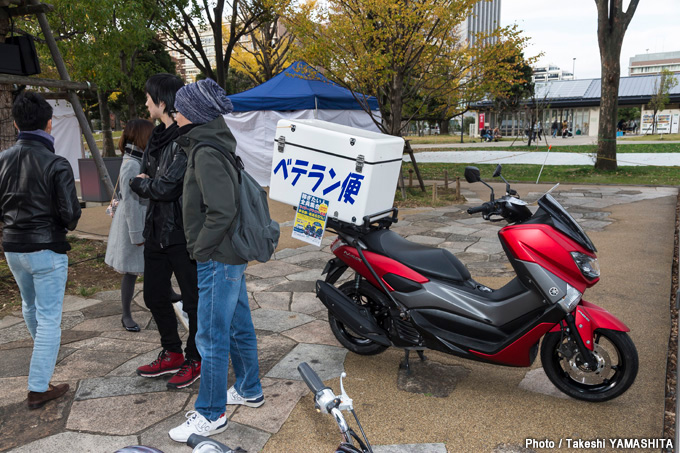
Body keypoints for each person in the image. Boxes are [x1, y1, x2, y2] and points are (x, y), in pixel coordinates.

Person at [168, 78, 264, 442]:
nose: (175, 114)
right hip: (228, 255)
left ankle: (210, 414)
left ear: (194, 112)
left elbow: (221, 211)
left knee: (210, 334)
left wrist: (200, 248)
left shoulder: (206, 151)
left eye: (179, 108)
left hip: (218, 256)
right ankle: (250, 388)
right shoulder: (212, 143)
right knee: (238, 324)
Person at [0, 91, 81, 409]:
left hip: (13, 247)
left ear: (16, 124)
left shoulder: (3, 159)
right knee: (48, 318)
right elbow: (71, 217)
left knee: (31, 308)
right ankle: (37, 386)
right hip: (46, 248)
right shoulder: (56, 163)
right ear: (50, 124)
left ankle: (41, 368)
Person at [129, 73, 201, 389]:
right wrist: (149, 184)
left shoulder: (186, 136)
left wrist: (144, 183)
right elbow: (154, 183)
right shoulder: (157, 137)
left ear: (161, 101)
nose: (145, 103)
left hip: (182, 232)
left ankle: (195, 358)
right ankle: (171, 352)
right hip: (156, 229)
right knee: (154, 295)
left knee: (193, 299)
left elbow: (167, 186)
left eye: (148, 97)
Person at [105, 119, 154, 332]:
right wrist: (136, 235)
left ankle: (163, 297)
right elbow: (133, 203)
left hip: (137, 221)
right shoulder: (132, 163)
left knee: (142, 269)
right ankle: (126, 315)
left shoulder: (135, 158)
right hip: (132, 224)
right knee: (131, 272)